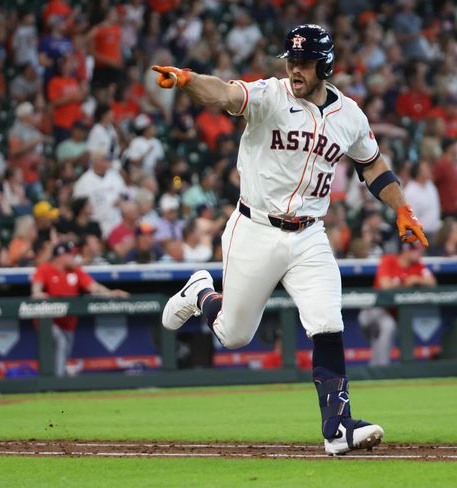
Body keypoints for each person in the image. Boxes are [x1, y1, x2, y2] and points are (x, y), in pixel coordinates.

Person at [153, 25, 429, 455]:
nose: (295, 68)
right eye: (291, 60)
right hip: (256, 227)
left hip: (309, 235)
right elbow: (225, 95)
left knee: (327, 321)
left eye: (304, 61)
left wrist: (401, 207)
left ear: (326, 65)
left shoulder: (350, 115)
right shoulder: (270, 95)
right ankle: (202, 292)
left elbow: (372, 166)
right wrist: (189, 80)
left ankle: (337, 430)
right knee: (234, 335)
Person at [31, 241, 129, 377]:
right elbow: (36, 288)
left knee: (65, 350)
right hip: (48, 321)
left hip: (68, 322)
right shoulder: (45, 268)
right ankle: (57, 381)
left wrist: (110, 293)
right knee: (60, 342)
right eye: (71, 255)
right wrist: (37, 293)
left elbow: (94, 287)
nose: (75, 258)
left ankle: (58, 376)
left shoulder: (76, 271)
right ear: (61, 256)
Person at [358, 241, 436, 367]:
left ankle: (379, 368)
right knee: (387, 325)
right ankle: (380, 369)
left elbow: (432, 282)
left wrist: (417, 279)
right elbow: (385, 285)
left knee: (387, 326)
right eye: (416, 250)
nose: (419, 253)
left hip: (392, 314)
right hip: (373, 310)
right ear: (406, 251)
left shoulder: (418, 266)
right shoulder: (389, 260)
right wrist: (406, 282)